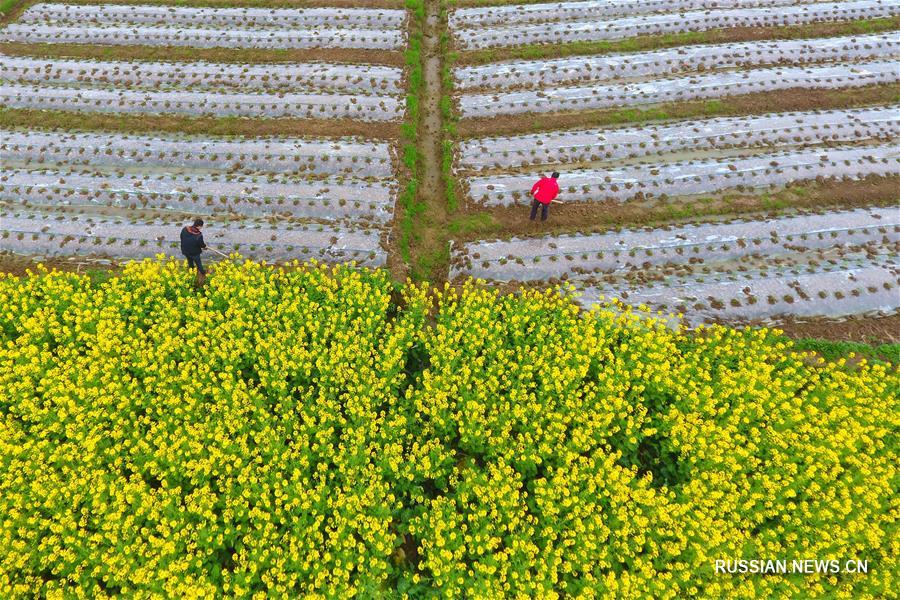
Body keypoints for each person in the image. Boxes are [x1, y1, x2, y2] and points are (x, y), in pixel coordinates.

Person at [180, 218, 208, 285]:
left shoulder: (185, 229)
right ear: (199, 226)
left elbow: (181, 237)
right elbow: (201, 244)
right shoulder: (198, 235)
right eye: (201, 226)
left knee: (190, 261)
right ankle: (203, 272)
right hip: (194, 252)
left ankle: (191, 271)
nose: (201, 228)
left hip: (185, 250)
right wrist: (204, 246)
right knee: (198, 263)